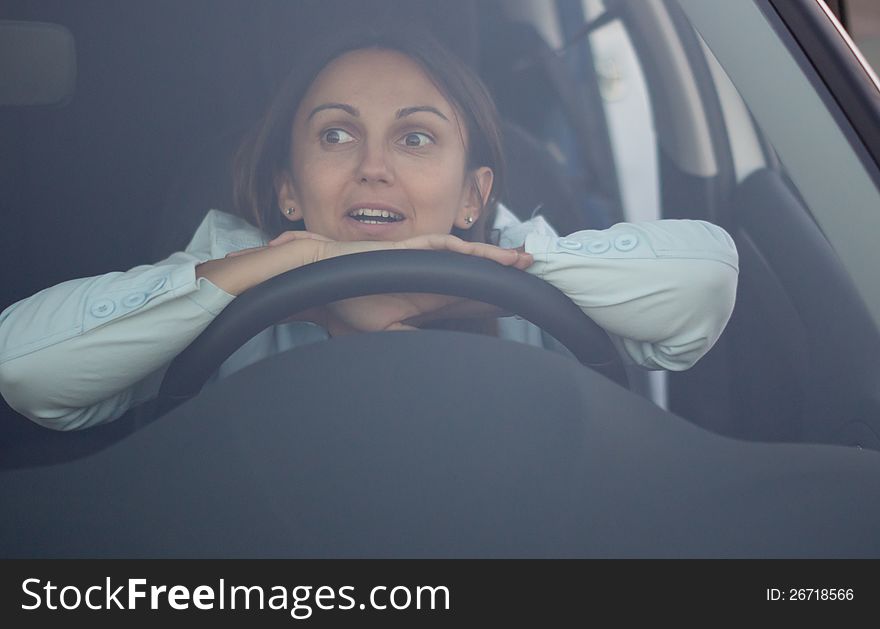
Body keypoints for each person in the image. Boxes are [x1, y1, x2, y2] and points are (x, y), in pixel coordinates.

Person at [0, 27, 738, 431]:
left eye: (415, 138)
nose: (374, 166)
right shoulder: (229, 262)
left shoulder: (515, 250)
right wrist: (272, 277)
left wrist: (469, 287)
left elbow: (705, 279)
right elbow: (25, 365)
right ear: (288, 188)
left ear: (472, 193)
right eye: (335, 135)